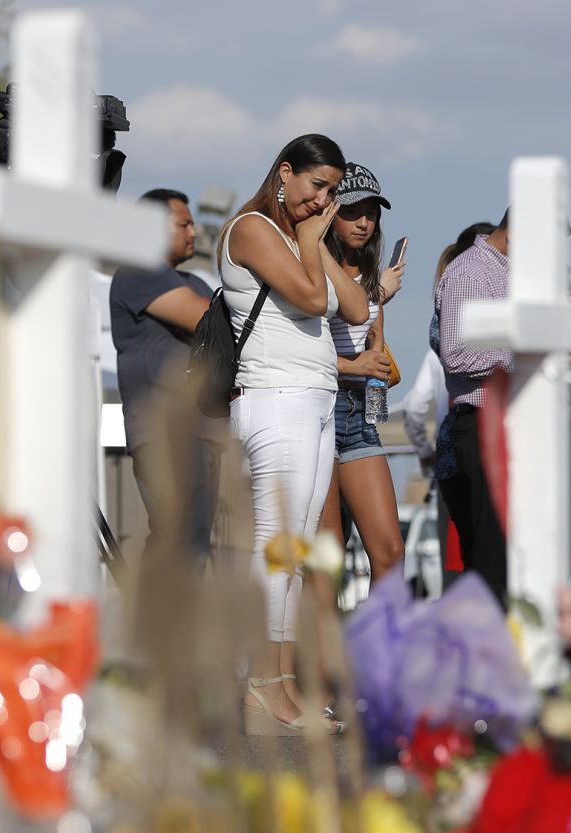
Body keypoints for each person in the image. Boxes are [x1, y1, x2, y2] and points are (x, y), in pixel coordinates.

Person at [220, 134, 364, 735]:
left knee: (294, 550)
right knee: (276, 543)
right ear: (284, 173)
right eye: (315, 186)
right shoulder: (251, 228)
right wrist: (309, 245)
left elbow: (354, 307)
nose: (323, 199)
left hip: (314, 397)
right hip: (275, 397)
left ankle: (276, 682)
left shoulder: (299, 237)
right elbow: (309, 297)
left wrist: (314, 242)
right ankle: (259, 681)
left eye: (332, 189)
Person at [110, 189, 216, 564]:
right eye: (185, 224)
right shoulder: (139, 272)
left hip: (200, 429)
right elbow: (209, 321)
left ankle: (174, 619)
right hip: (164, 429)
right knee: (179, 534)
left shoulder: (197, 283)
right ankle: (156, 620)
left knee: (195, 538)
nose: (194, 233)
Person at [316, 163, 406, 584]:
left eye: (371, 212)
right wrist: (356, 366)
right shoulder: (310, 267)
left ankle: (376, 651)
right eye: (353, 211)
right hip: (319, 407)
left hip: (359, 417)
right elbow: (296, 353)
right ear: (331, 211)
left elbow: (376, 346)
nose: (364, 222)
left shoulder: (371, 278)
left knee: (390, 553)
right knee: (328, 556)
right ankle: (324, 651)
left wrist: (376, 397)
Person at [437, 211, 512, 601]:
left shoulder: (512, 274)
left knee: (513, 561)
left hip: (513, 428)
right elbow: (457, 354)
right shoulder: (470, 273)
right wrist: (526, 357)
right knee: (493, 563)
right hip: (485, 425)